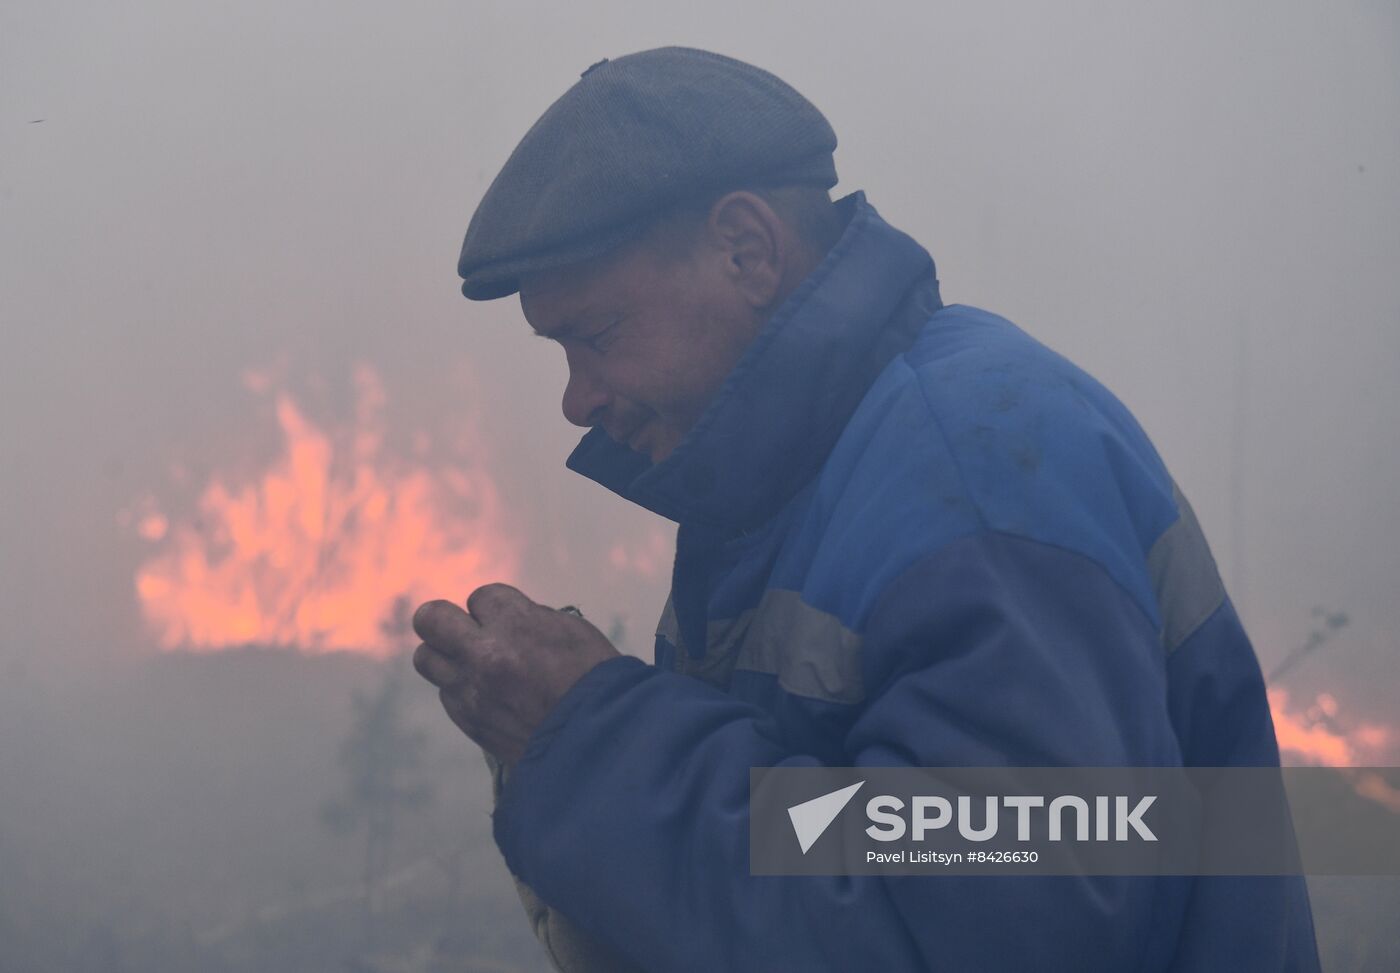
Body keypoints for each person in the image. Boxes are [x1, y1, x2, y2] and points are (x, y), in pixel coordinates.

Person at [411, 46, 1320, 972]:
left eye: (598, 335)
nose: (577, 398)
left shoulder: (975, 482)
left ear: (747, 250)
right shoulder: (781, 487)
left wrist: (597, 741)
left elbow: (980, 931)